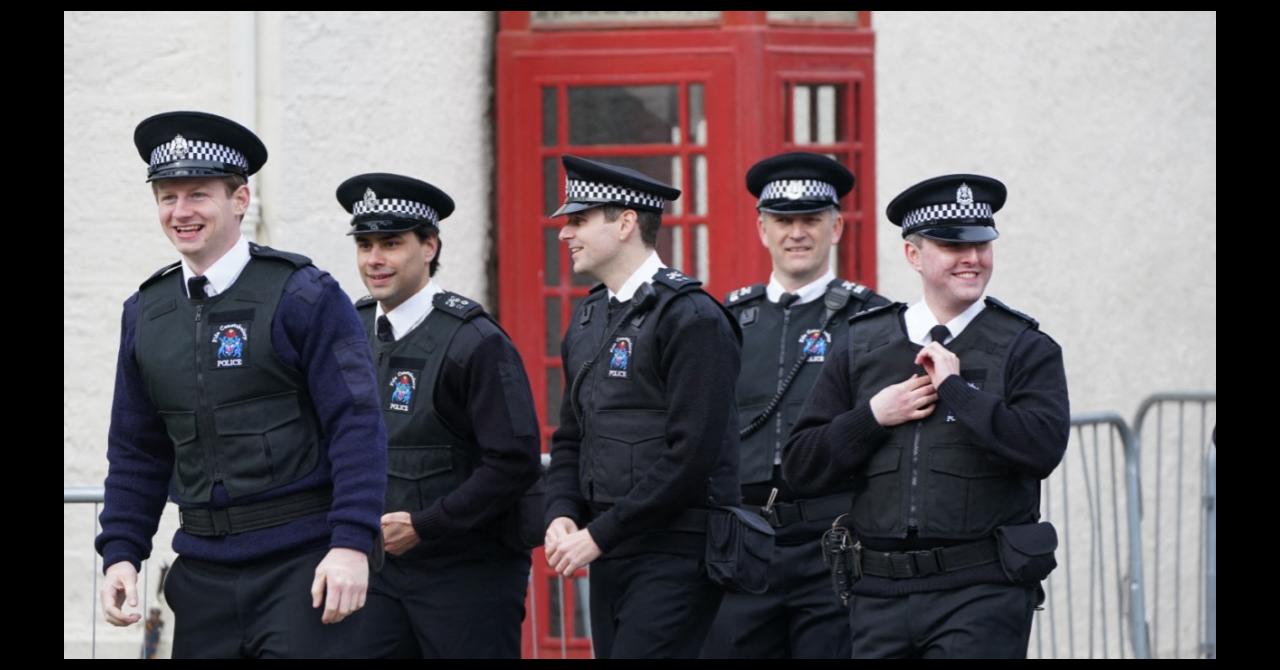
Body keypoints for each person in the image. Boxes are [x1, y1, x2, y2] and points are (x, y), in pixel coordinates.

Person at [96, 111, 387, 658]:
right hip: (202, 574)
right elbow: (137, 449)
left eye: (198, 195)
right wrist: (120, 553)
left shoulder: (304, 294)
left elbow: (357, 424)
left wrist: (351, 543)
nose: (181, 212)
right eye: (167, 196)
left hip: (302, 567)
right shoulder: (145, 313)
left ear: (239, 199)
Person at [783, 173, 1070, 658]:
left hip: (980, 594)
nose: (973, 259)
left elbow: (1041, 449)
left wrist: (957, 391)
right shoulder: (862, 344)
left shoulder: (1025, 346)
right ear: (913, 255)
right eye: (952, 246)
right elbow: (801, 466)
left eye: (982, 245)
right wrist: (872, 416)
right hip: (877, 596)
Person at [542, 155, 742, 658]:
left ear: (626, 222)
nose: (566, 233)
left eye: (579, 219)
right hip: (610, 546)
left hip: (674, 549)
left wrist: (599, 534)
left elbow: (691, 455)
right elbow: (571, 436)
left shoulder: (691, 317)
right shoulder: (588, 316)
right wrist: (562, 512)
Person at [337, 172, 542, 658]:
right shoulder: (351, 328)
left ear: (429, 246)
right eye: (365, 245)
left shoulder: (475, 340)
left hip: (467, 576)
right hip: (376, 573)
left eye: (391, 243)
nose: (374, 260)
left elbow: (513, 462)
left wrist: (426, 525)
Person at [702, 152, 890, 659]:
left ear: (837, 228)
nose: (797, 233)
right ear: (763, 229)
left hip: (832, 539)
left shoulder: (870, 319)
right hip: (744, 543)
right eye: (784, 221)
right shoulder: (726, 318)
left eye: (811, 220)